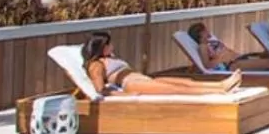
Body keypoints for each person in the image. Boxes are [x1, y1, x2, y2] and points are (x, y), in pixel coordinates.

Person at [83, 31, 241, 95]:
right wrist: (123, 95)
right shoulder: (96, 64)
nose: (113, 46)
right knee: (176, 89)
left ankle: (222, 86)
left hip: (144, 79)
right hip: (130, 84)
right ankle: (219, 91)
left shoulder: (110, 58)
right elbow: (100, 89)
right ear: (103, 47)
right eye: (110, 44)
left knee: (186, 82)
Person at [188, 22, 269, 71]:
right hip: (231, 65)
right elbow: (206, 65)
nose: (207, 31)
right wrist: (221, 58)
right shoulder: (203, 46)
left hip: (238, 59)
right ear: (200, 33)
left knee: (268, 57)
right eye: (205, 30)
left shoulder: (211, 42)